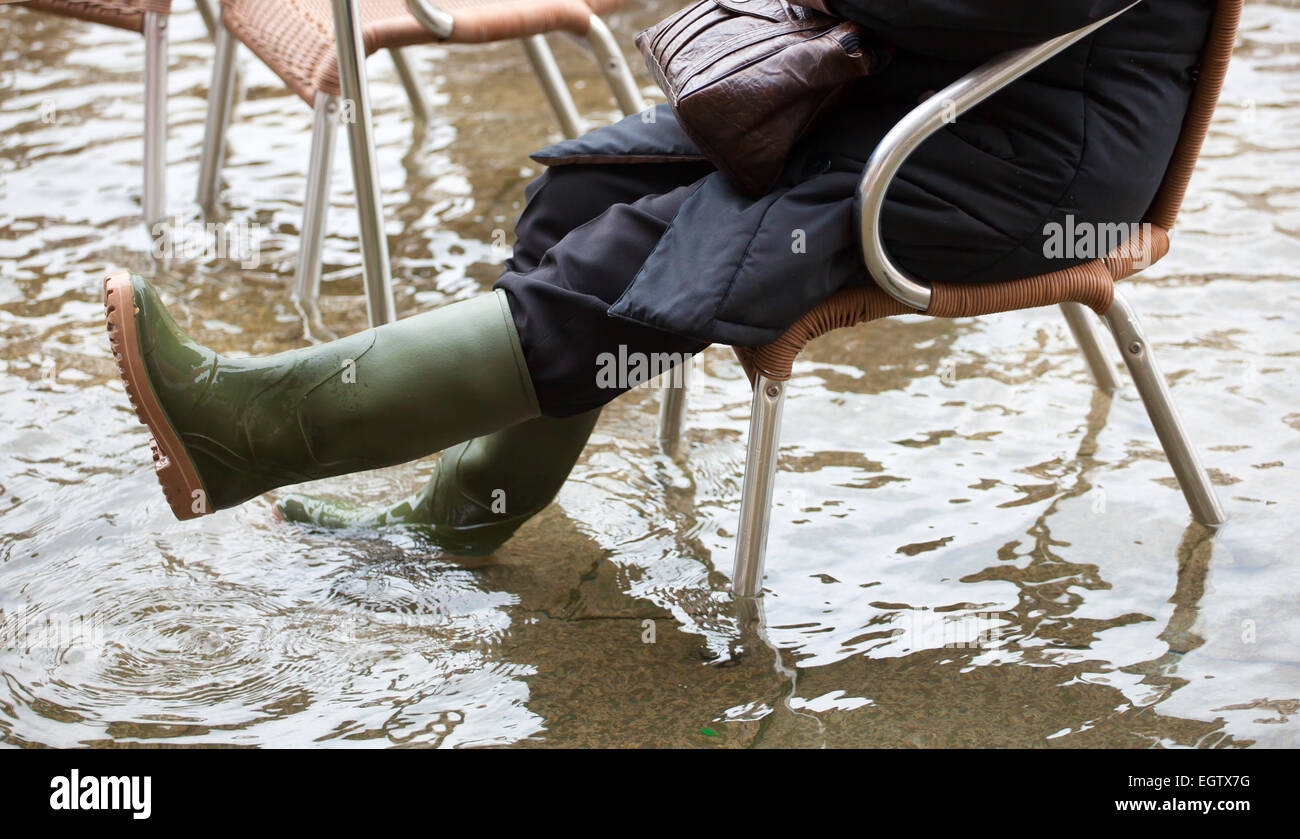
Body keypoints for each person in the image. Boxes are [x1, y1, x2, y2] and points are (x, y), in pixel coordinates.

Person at [105, 0, 1213, 553]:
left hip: (1021, 159)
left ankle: (254, 429)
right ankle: (472, 508)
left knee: (663, 256)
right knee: (588, 191)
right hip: (925, 99)